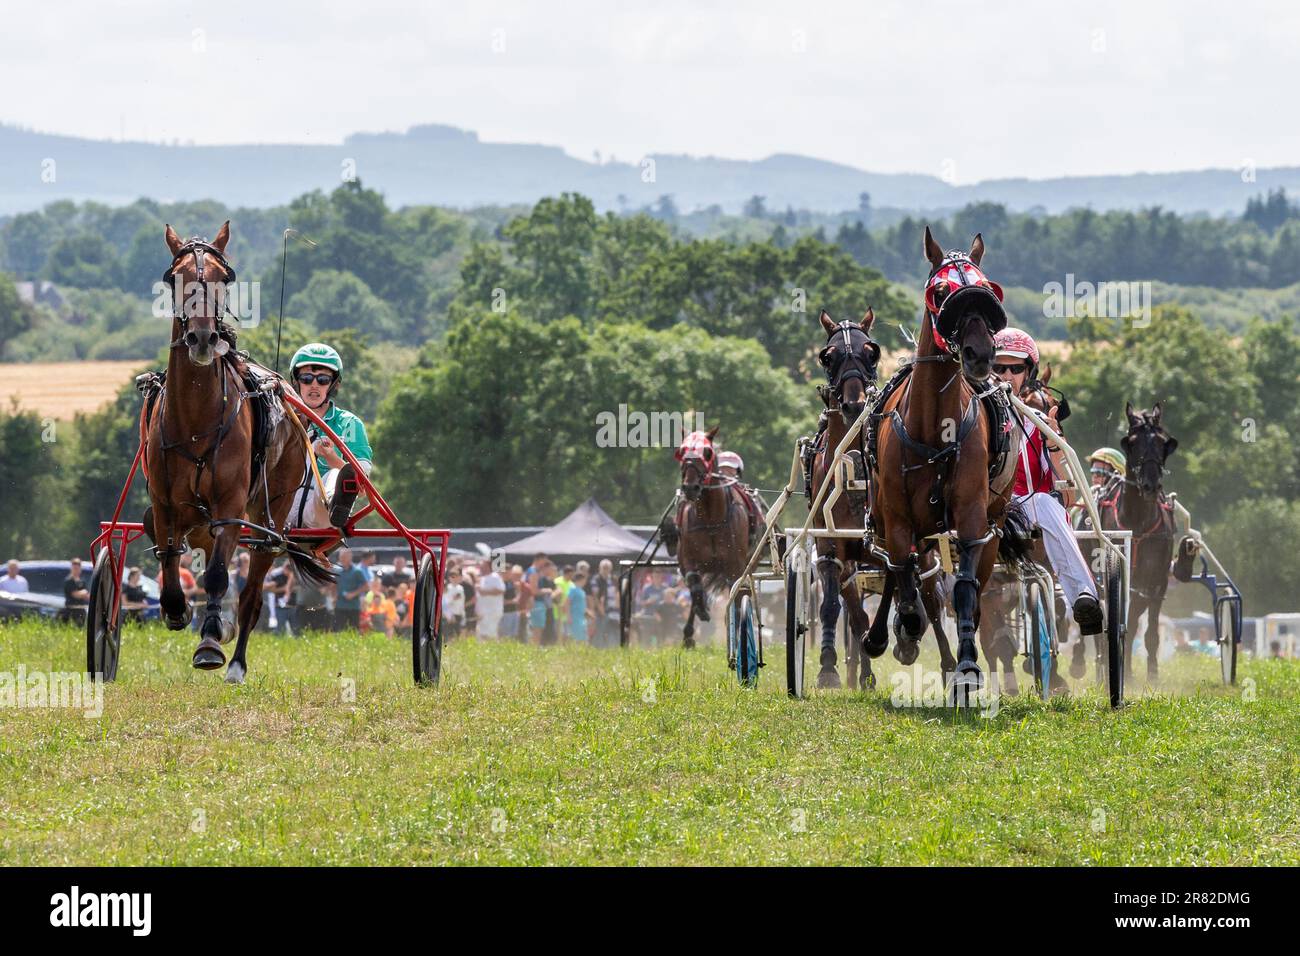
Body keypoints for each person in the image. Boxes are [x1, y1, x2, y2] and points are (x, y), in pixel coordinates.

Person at [992, 328, 1103, 678]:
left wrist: (1054, 442)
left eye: (1015, 369)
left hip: (1032, 505)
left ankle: (1082, 599)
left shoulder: (1042, 423)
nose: (1007, 376)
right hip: (990, 508)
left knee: (1048, 502)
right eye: (999, 368)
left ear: (1029, 372)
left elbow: (1066, 489)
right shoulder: (977, 417)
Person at [286, 343, 373, 533]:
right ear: (296, 382)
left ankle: (338, 506)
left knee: (335, 474)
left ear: (334, 384)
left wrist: (331, 458)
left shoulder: (349, 423)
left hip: (318, 513)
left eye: (323, 379)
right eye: (307, 378)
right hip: (277, 507)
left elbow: (363, 484)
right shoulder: (279, 418)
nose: (314, 385)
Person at [332, 547, 369, 632]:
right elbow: (333, 585)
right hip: (340, 606)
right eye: (341, 557)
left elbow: (366, 586)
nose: (342, 559)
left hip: (353, 607)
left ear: (350, 557)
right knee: (339, 630)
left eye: (344, 557)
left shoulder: (357, 571)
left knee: (353, 630)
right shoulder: (337, 571)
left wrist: (353, 594)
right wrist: (333, 596)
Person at [476, 561, 506, 638]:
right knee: (482, 634)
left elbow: (501, 590)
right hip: (484, 611)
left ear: (489, 567)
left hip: (493, 611)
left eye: (484, 566)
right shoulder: (482, 578)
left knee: (490, 635)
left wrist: (484, 592)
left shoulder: (495, 577)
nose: (482, 568)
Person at [62, 558, 90, 623]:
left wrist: (83, 594)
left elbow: (87, 596)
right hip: (71, 610)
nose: (76, 570)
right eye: (74, 568)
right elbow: (75, 594)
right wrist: (83, 593)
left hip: (81, 610)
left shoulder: (82, 581)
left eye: (77, 568)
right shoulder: (69, 581)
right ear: (71, 568)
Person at [568, 570, 590, 643]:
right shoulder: (572, 589)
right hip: (575, 617)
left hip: (581, 617)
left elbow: (582, 604)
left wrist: (588, 613)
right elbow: (567, 603)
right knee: (576, 637)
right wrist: (569, 616)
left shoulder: (581, 591)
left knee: (583, 637)